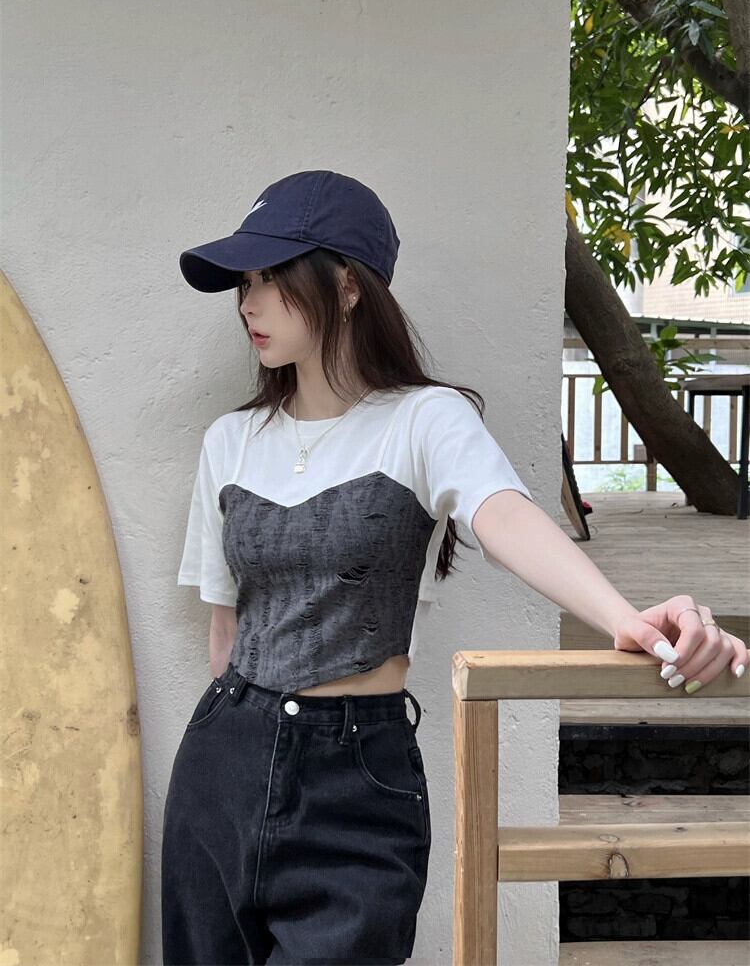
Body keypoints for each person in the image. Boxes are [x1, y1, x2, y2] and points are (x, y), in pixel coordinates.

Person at [161, 170, 748, 966]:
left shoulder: (424, 420)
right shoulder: (229, 441)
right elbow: (225, 632)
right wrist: (232, 747)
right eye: (245, 283)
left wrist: (624, 618)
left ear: (346, 286)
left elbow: (503, 514)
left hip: (353, 778)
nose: (248, 303)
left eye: (271, 278)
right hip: (221, 764)